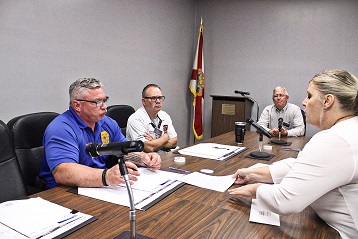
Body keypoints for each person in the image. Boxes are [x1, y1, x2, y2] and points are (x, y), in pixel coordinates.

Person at [229, 70, 358, 239]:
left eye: (309, 96)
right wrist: (253, 173)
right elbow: (302, 166)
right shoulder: (348, 130)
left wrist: (253, 189)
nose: (304, 102)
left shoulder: (334, 139)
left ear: (328, 101)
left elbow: (285, 201)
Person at [39, 78, 161, 189]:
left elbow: (123, 149)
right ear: (77, 105)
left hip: (98, 185)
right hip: (64, 191)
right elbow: (63, 173)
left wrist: (144, 158)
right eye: (97, 102)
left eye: (104, 100)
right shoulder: (61, 128)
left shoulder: (107, 123)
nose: (104, 107)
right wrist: (106, 176)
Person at [126, 84, 178, 153]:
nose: (158, 101)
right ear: (144, 101)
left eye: (160, 97)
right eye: (153, 98)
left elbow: (174, 142)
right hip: (144, 160)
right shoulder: (136, 119)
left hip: (163, 156)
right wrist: (165, 138)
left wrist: (154, 142)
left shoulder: (164, 115)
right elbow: (147, 148)